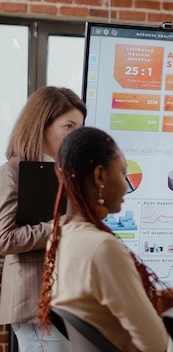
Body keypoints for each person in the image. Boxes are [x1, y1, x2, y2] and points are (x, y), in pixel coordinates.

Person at [36, 127, 173, 352]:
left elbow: (100, 313)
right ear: (100, 176)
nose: (127, 185)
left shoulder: (59, 239)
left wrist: (164, 300)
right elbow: (157, 346)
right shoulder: (103, 249)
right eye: (123, 173)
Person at [0, 86, 86, 351]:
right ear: (42, 124)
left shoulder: (68, 174)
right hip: (34, 301)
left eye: (79, 128)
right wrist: (59, 227)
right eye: (68, 126)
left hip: (69, 301)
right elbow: (4, 239)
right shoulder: (13, 172)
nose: (76, 136)